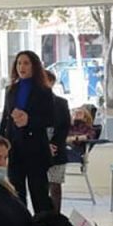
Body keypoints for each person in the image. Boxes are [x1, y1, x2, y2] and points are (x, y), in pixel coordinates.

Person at [0, 50, 55, 213]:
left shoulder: (44, 90)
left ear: (34, 66)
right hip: (14, 148)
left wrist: (29, 120)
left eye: (26, 63)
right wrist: (0, 143)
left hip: (36, 149)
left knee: (39, 194)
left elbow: (50, 119)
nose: (21, 67)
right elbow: (5, 118)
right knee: (16, 194)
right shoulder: (11, 90)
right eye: (19, 63)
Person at [44, 70, 71, 212]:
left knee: (55, 185)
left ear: (52, 82)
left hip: (56, 149)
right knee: (40, 186)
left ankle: (56, 215)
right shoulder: (32, 103)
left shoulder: (61, 103)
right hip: (37, 148)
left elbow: (64, 127)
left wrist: (53, 144)